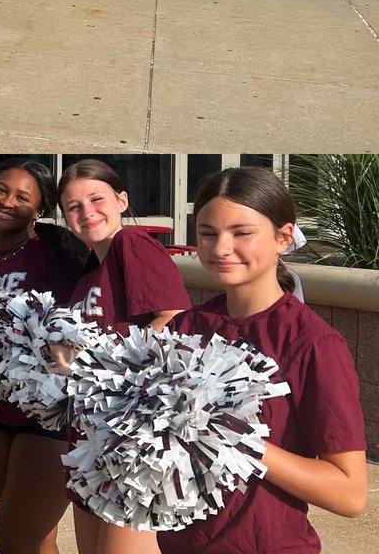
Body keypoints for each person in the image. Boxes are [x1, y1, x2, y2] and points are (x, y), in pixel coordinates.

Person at [157, 167, 368, 553]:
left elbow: (350, 494)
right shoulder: (186, 327)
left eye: (241, 233)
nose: (221, 248)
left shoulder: (312, 343)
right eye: (208, 233)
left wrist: (239, 440)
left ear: (283, 237)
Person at [57, 158, 191, 554]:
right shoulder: (88, 273)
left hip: (128, 438)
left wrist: (112, 374)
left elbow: (174, 319)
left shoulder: (130, 244)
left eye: (96, 199)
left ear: (122, 200)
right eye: (73, 207)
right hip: (89, 436)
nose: (87, 212)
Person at [0, 159, 89, 554]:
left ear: (39, 210)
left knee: (12, 540)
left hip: (44, 421)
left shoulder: (55, 253)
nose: (6, 202)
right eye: (1, 190)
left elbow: (77, 334)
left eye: (23, 197)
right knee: (35, 538)